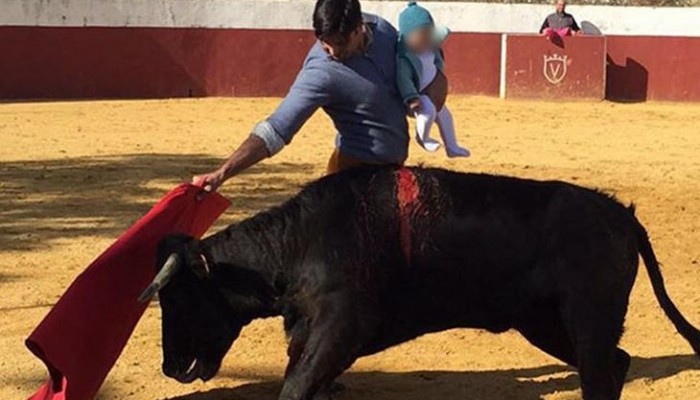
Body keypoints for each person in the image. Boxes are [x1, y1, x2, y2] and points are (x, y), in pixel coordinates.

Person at [195, 0, 446, 191]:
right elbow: (277, 129)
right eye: (325, 42)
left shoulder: (383, 31)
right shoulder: (321, 72)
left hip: (392, 174)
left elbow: (415, 73)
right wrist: (223, 172)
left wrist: (435, 81)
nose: (331, 51)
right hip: (351, 179)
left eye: (339, 43)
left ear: (359, 28)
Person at [396, 1, 470, 158]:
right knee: (428, 110)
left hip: (432, 95)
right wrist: (411, 97)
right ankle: (423, 138)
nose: (424, 40)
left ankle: (452, 147)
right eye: (419, 36)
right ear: (406, 36)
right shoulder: (404, 59)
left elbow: (442, 33)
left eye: (427, 34)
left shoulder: (430, 46)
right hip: (418, 98)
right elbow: (404, 80)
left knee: (445, 115)